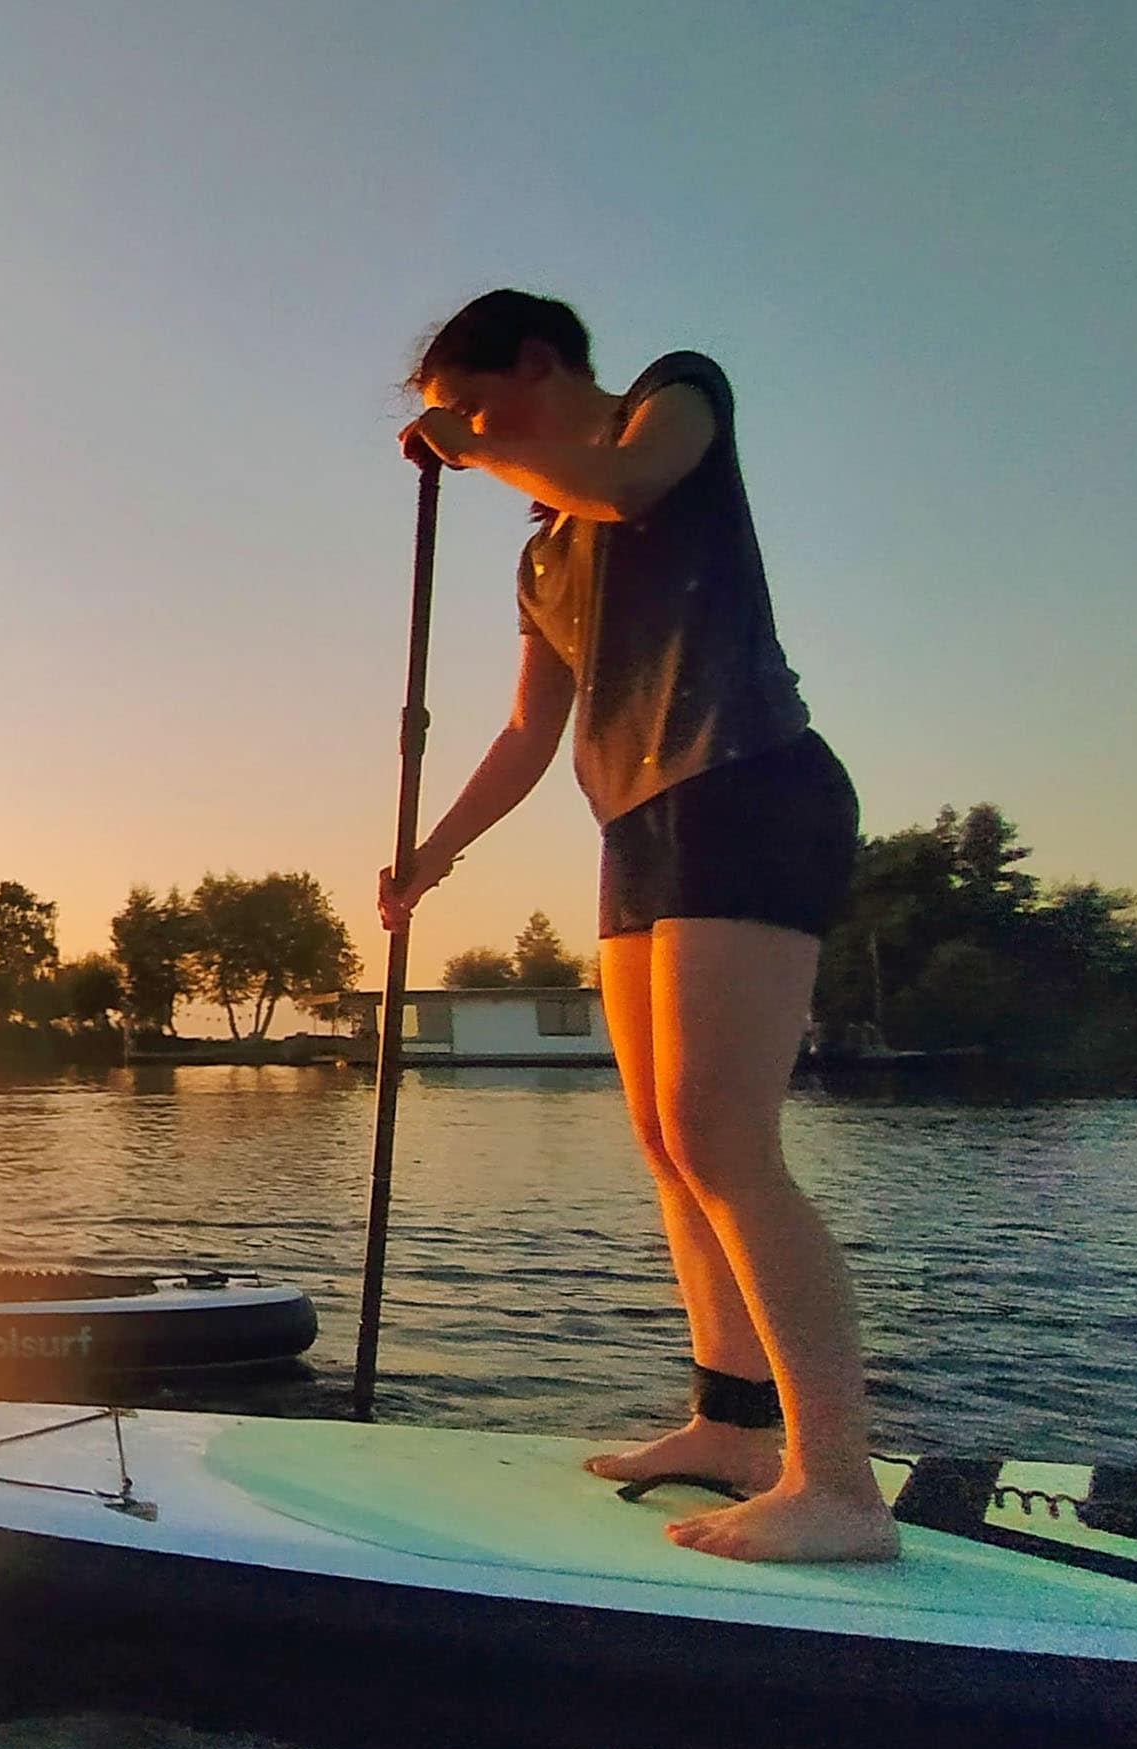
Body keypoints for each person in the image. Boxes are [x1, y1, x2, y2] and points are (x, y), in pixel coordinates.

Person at [388, 290, 896, 1563]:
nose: (468, 429)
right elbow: (526, 731)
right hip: (640, 824)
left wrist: (467, 443)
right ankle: (730, 1423)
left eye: (478, 399)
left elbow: (626, 482)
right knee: (669, 1143)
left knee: (727, 1136)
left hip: (747, 781)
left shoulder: (676, 395)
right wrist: (430, 857)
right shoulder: (543, 553)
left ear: (540, 362)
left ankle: (838, 1484)